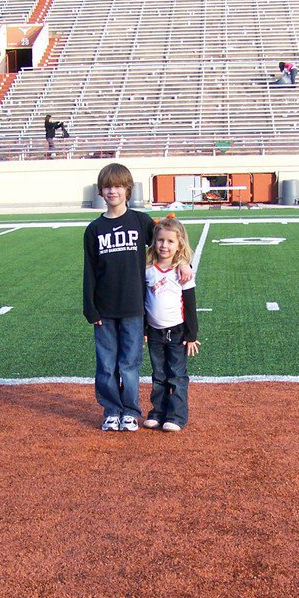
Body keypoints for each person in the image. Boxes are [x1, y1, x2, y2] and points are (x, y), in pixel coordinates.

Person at [83, 164, 190, 432]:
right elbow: (89, 270)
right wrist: (90, 308)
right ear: (101, 191)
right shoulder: (94, 229)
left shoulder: (140, 221)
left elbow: (169, 238)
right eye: (107, 186)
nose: (113, 191)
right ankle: (111, 409)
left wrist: (184, 262)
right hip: (104, 309)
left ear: (128, 190)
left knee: (129, 363)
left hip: (134, 307)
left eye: (118, 186)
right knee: (106, 364)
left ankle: (130, 410)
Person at [142, 216, 200, 432]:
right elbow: (143, 301)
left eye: (170, 241)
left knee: (176, 375)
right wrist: (143, 330)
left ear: (179, 245)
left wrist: (191, 334)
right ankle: (157, 412)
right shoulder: (148, 269)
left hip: (176, 332)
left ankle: (176, 416)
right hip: (155, 332)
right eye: (160, 240)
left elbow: (190, 303)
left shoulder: (182, 272)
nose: (164, 245)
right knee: (158, 375)